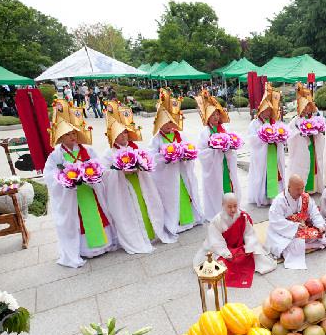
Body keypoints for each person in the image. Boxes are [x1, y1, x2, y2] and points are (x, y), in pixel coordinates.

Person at [44, 99, 117, 267]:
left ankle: (103, 244)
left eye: (74, 133)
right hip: (72, 195)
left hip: (90, 191)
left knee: (97, 214)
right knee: (78, 220)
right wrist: (66, 178)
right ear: (60, 136)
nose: (72, 137)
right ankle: (85, 249)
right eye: (68, 134)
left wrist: (92, 173)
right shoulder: (56, 155)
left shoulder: (88, 150)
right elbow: (49, 174)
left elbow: (98, 165)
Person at [102, 101, 176, 253]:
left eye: (125, 132)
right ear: (113, 136)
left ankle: (151, 233)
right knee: (130, 212)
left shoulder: (134, 148)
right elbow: (104, 173)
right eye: (120, 133)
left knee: (146, 206)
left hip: (141, 185)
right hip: (124, 189)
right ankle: (137, 237)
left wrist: (142, 165)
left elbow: (149, 162)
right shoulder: (109, 153)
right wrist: (120, 171)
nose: (123, 136)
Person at [149, 88, 203, 235]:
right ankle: (176, 221)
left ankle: (190, 218)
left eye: (172, 122)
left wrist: (186, 154)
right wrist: (165, 157)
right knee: (172, 197)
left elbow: (191, 148)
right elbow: (151, 157)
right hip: (167, 176)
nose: (170, 125)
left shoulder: (181, 135)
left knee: (187, 193)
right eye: (166, 122)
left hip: (182, 171)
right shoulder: (156, 139)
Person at [194, 193, 277, 288]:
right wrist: (226, 253)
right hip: (224, 250)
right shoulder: (217, 221)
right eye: (229, 207)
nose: (233, 210)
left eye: (235, 206)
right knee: (221, 265)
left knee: (255, 257)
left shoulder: (242, 216)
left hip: (239, 247)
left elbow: (249, 234)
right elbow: (215, 241)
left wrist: (249, 247)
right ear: (223, 205)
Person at [196, 89, 241, 221]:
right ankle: (218, 211)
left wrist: (230, 145)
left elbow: (231, 143)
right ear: (207, 117)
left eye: (217, 114)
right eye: (212, 115)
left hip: (226, 166)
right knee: (216, 189)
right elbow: (202, 153)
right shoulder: (205, 132)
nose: (216, 117)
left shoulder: (225, 129)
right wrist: (215, 149)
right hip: (215, 168)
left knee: (230, 186)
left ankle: (231, 209)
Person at [266, 174, 326, 269]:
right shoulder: (279, 201)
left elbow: (314, 212)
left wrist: (319, 225)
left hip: (302, 228)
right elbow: (276, 221)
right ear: (289, 187)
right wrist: (295, 226)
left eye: (302, 188)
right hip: (284, 231)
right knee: (288, 244)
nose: (300, 192)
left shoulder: (305, 197)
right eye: (297, 189)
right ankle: (303, 245)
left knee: (318, 234)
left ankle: (304, 245)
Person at [248, 83, 286, 207]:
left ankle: (276, 196)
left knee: (276, 173)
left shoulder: (275, 122)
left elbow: (283, 135)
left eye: (270, 110)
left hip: (274, 153)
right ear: (260, 110)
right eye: (265, 110)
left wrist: (278, 137)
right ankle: (264, 197)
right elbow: (252, 139)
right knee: (262, 174)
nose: (268, 113)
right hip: (262, 155)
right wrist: (264, 138)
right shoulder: (254, 123)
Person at [287, 83, 325, 194]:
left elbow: (321, 130)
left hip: (313, 146)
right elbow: (290, 134)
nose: (307, 108)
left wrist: (317, 131)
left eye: (308, 105)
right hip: (301, 149)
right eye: (305, 106)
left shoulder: (315, 118)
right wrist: (300, 133)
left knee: (314, 165)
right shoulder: (295, 120)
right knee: (302, 166)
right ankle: (302, 188)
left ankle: (314, 187)